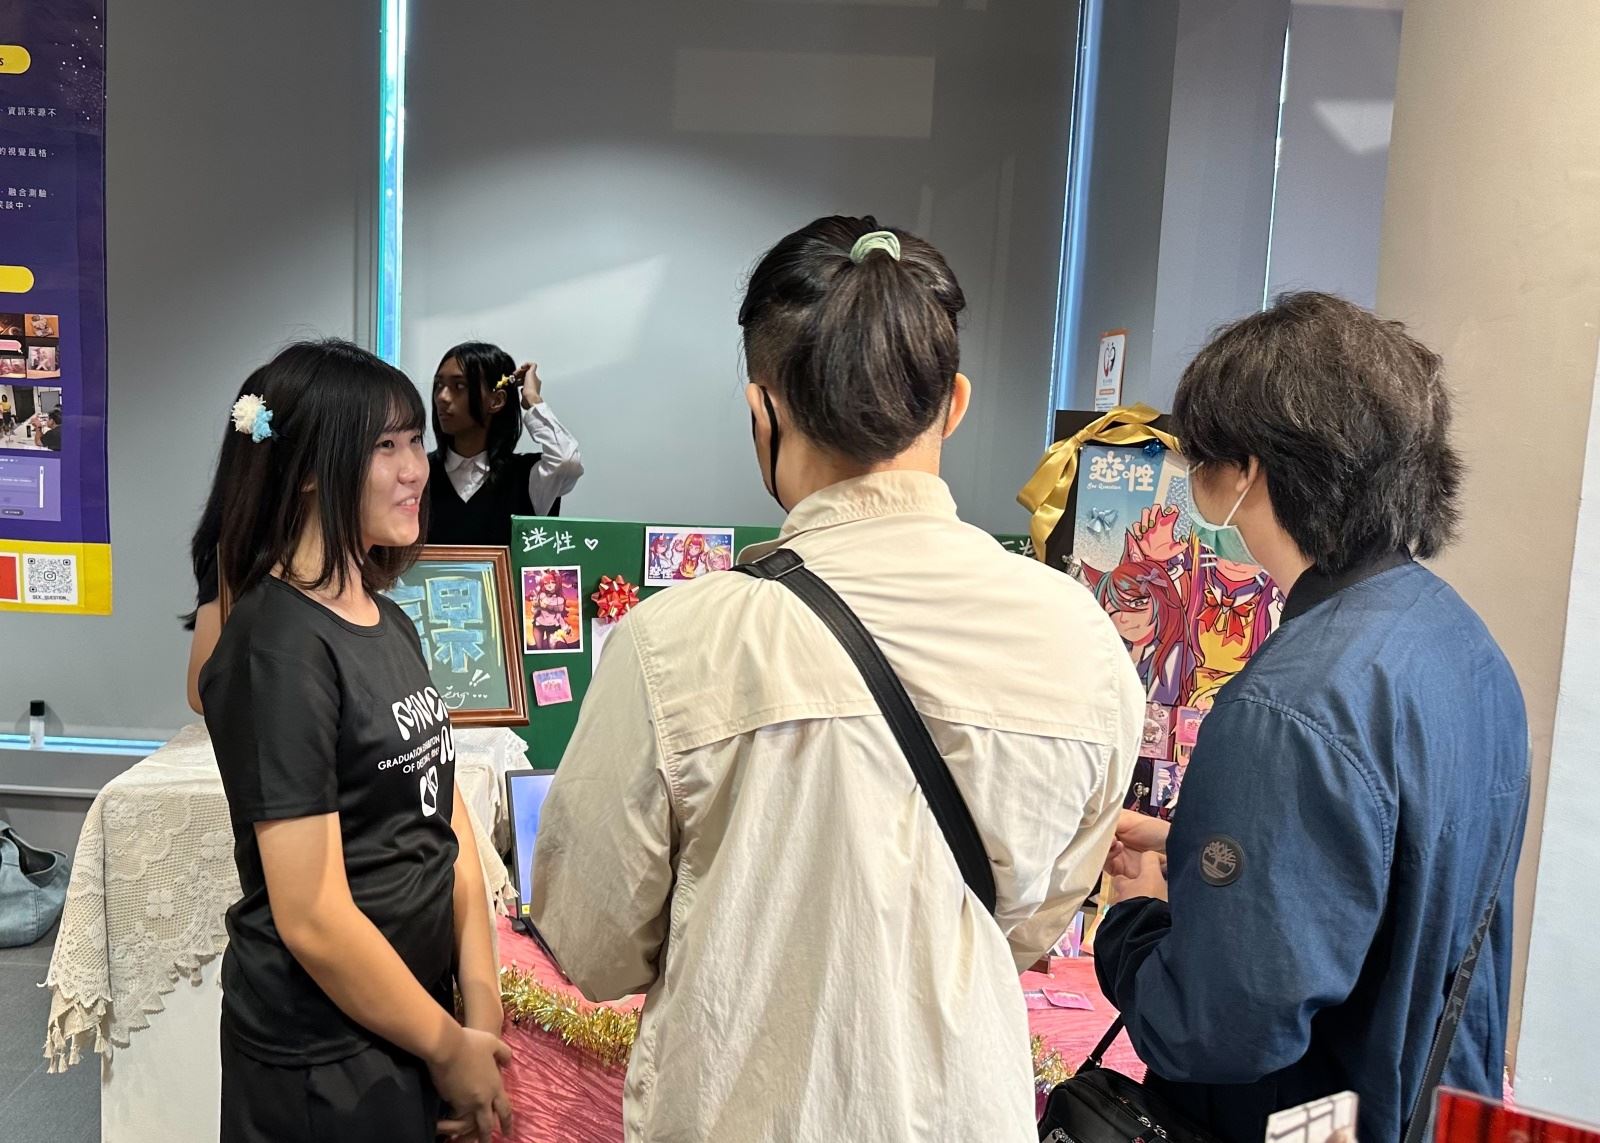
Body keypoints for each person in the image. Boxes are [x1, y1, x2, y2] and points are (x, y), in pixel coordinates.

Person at [530, 216, 1143, 1142]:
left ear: (762, 410)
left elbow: (594, 944)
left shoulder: (676, 643)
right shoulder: (1083, 639)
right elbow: (1029, 928)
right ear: (956, 404)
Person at [1094, 293, 1529, 1143]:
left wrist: (1133, 917)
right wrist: (1196, 844)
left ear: (1246, 469)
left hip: (1301, 1116)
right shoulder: (1462, 644)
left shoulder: (1290, 703)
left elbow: (1214, 1024)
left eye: (1200, 457)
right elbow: (1387, 873)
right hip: (1428, 1106)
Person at [195, 340, 512, 1143]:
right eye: (385, 446)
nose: (415, 470)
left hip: (413, 1020)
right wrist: (447, 1045)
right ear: (309, 469)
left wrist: (478, 1000)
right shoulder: (278, 644)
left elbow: (444, 819)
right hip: (325, 1054)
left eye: (416, 441)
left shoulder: (389, 619)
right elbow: (312, 914)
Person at [428, 341, 583, 545]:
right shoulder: (419, 472)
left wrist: (532, 399)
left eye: (459, 386)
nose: (442, 397)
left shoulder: (526, 478)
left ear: (497, 401)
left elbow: (566, 460)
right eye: (439, 385)